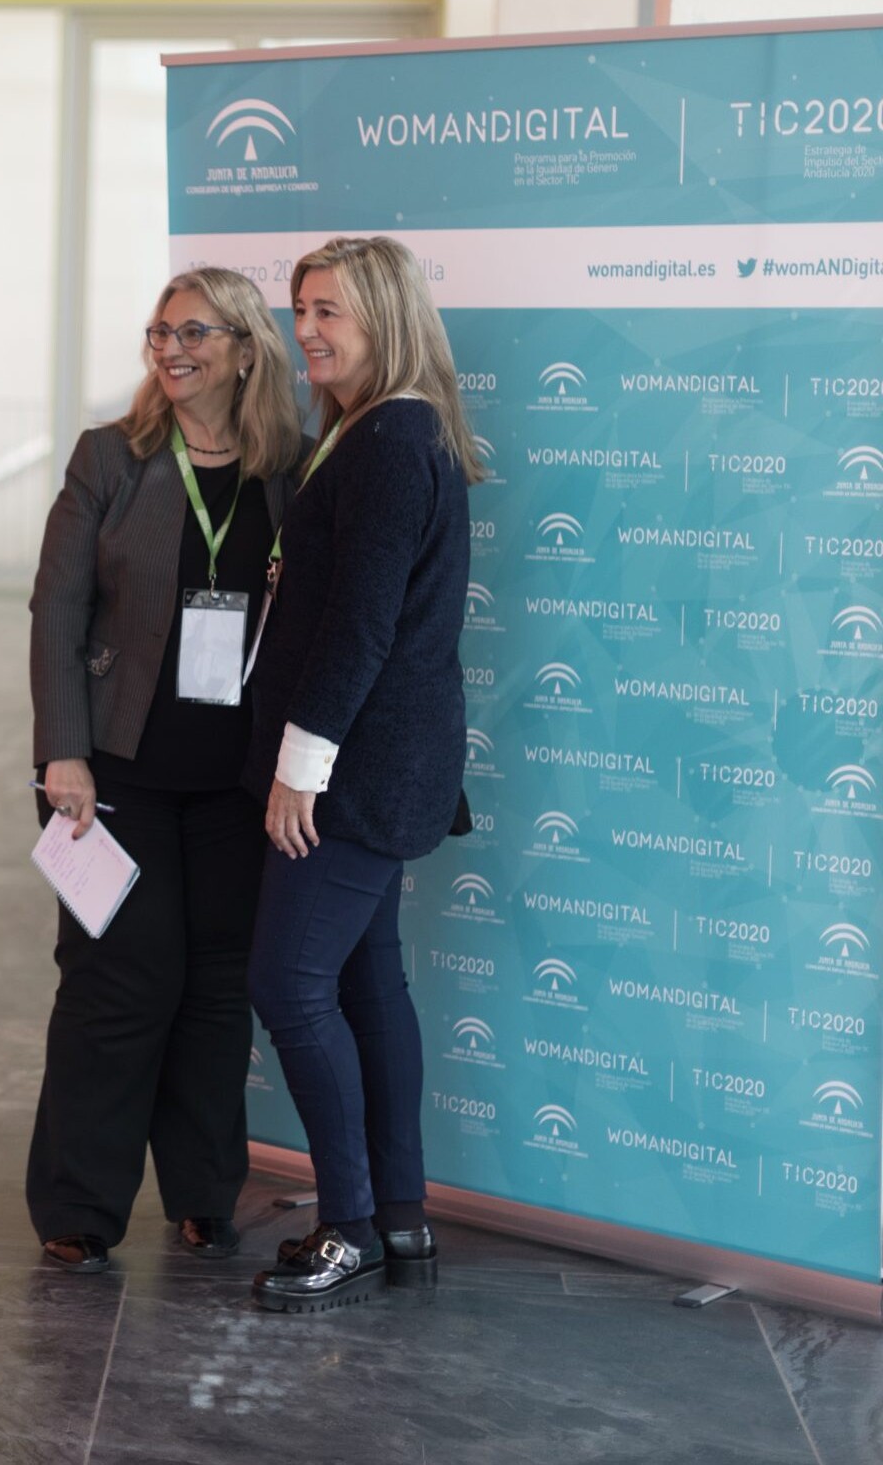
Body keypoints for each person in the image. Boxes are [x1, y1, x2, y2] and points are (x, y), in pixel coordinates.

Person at [25, 266, 307, 1273]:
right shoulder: (113, 456)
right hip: (117, 766)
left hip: (239, 775)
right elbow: (55, 606)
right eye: (158, 331)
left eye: (193, 331)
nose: (171, 348)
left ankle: (201, 1194)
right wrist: (62, 747)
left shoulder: (292, 466)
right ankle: (78, 1205)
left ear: (243, 345)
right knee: (115, 981)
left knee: (216, 989)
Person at [242, 235, 483, 1314]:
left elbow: (360, 625)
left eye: (329, 310)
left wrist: (299, 767)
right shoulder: (378, 430)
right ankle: (397, 1212)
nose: (308, 333)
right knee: (365, 978)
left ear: (384, 315)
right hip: (379, 768)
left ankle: (344, 1224)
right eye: (299, 310)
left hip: (356, 774)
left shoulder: (388, 438)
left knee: (288, 983)